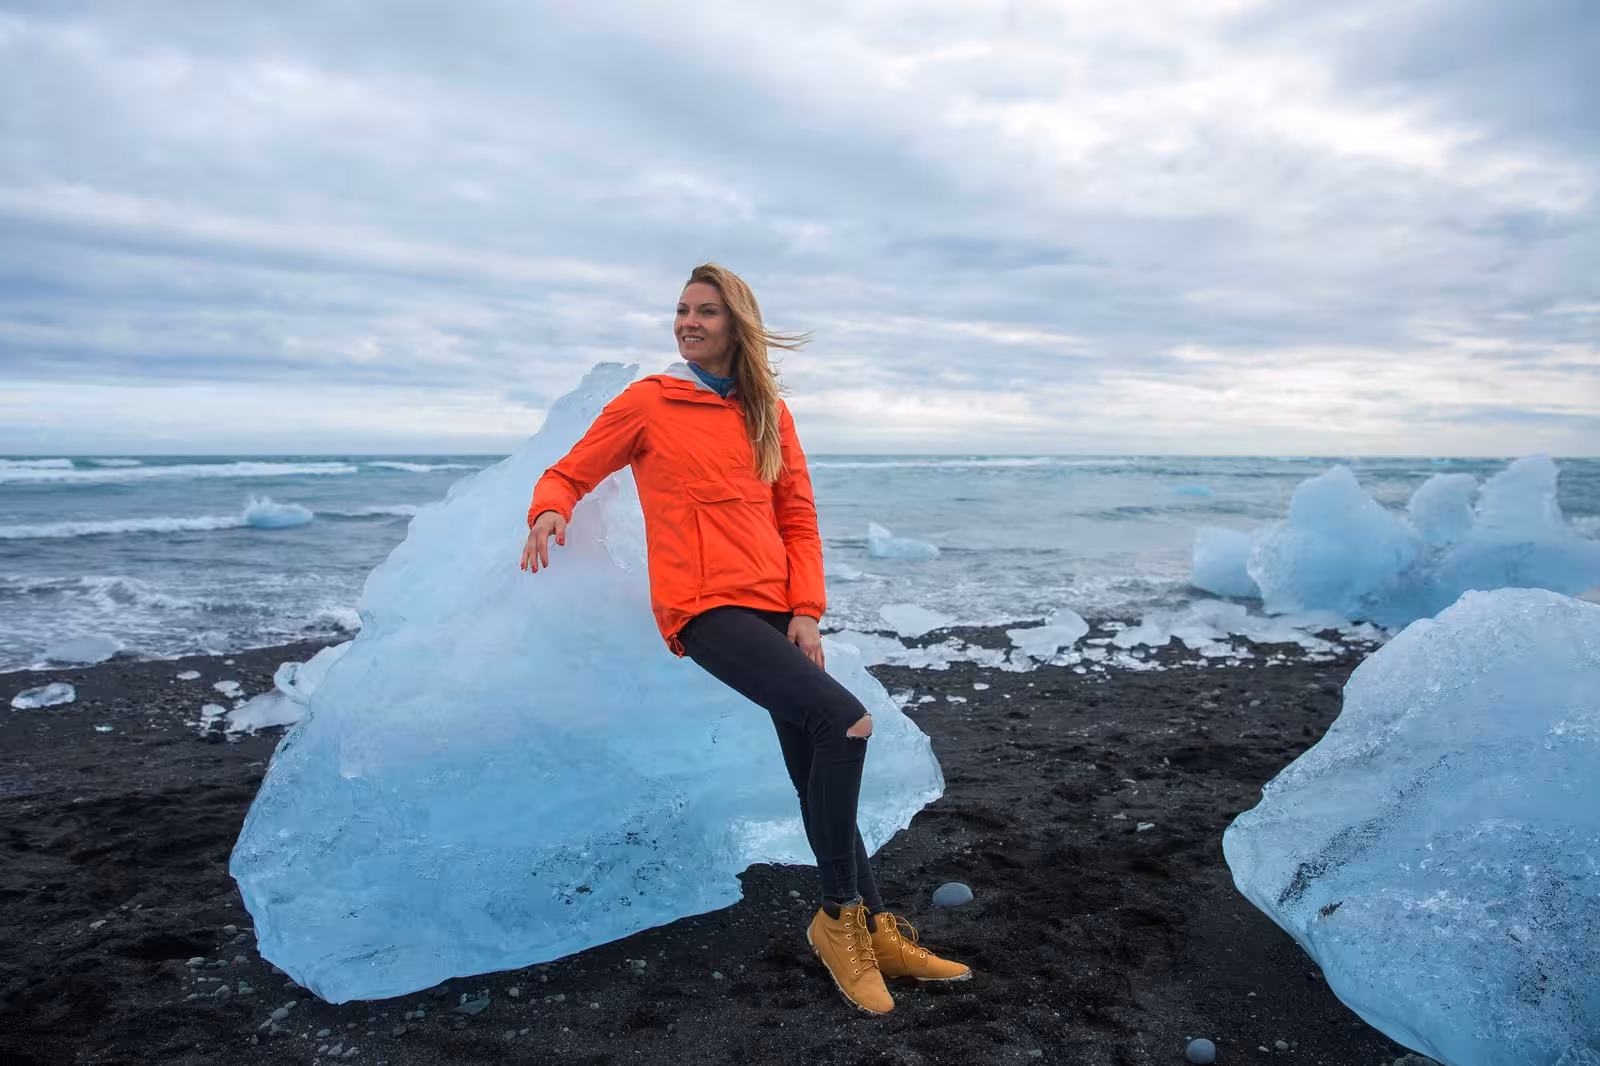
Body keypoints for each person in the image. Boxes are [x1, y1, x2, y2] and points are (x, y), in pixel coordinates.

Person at [520, 263, 970, 1016]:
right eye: (681, 311)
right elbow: (571, 471)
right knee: (846, 723)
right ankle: (836, 920)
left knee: (814, 771)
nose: (688, 323)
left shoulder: (769, 415)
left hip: (774, 612)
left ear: (737, 325)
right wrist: (548, 510)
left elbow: (798, 517)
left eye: (705, 312)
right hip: (704, 611)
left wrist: (807, 610)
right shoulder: (648, 404)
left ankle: (874, 926)